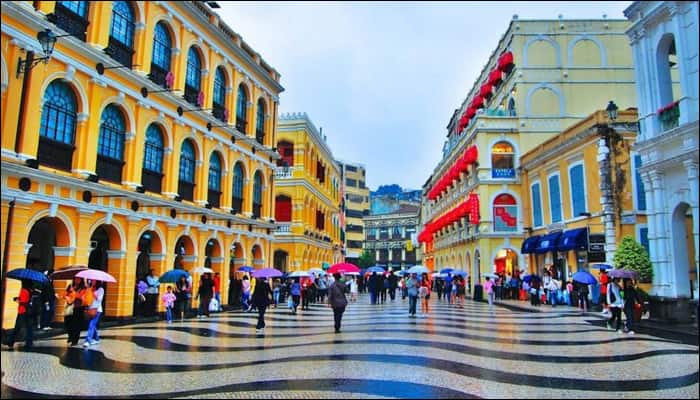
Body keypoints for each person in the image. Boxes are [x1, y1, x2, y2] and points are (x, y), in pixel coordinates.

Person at [3, 280, 34, 350]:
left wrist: (17, 299)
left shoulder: (23, 290)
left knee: (17, 327)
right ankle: (29, 342)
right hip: (28, 311)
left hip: (22, 311)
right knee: (29, 327)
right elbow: (27, 300)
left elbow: (23, 301)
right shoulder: (30, 290)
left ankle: (10, 342)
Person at [63, 277, 85, 346]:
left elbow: (82, 297)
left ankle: (75, 340)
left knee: (76, 325)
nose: (77, 280)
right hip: (70, 307)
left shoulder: (83, 288)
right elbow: (64, 294)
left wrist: (74, 293)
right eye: (76, 279)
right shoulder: (70, 286)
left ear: (81, 280)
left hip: (79, 308)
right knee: (67, 322)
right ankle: (70, 336)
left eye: (79, 279)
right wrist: (67, 297)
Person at [84, 280, 104, 347]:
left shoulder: (101, 289)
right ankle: (97, 338)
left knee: (91, 325)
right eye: (91, 280)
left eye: (93, 280)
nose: (92, 281)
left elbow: (99, 299)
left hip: (97, 310)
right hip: (90, 308)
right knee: (92, 325)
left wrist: (92, 293)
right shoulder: (90, 288)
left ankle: (88, 340)